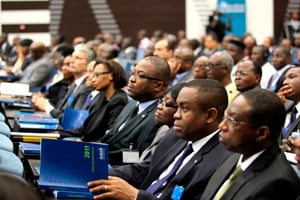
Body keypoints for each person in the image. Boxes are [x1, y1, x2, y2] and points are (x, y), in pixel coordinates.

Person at [88, 79, 232, 200]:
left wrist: (135, 196)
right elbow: (143, 170)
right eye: (177, 107)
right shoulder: (174, 135)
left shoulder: (223, 160)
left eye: (184, 109)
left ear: (210, 116)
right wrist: (97, 172)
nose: (176, 115)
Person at [201, 89, 300, 200]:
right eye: (225, 117)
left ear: (261, 133)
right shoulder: (233, 158)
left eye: (232, 121)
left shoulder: (278, 184)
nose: (222, 126)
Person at [100, 56, 171, 165]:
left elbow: (138, 157)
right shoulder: (132, 103)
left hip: (121, 171)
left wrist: (104, 158)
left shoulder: (160, 115)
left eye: (140, 76)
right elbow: (110, 137)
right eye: (133, 73)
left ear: (157, 86)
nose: (132, 79)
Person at [60, 59, 128, 141]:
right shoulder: (100, 96)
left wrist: (82, 142)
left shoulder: (119, 100)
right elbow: (85, 129)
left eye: (97, 75)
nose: (93, 79)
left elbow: (110, 135)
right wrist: (59, 134)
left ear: (111, 75)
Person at [140, 83, 186, 161]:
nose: (159, 106)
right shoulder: (163, 129)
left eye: (167, 104)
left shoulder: (179, 140)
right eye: (161, 101)